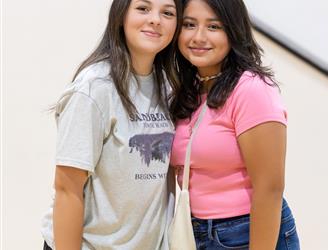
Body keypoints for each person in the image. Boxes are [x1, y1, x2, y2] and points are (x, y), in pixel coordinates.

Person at [41, 0, 182, 249]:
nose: (156, 19)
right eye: (143, 8)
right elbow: (67, 190)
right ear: (121, 14)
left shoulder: (168, 87)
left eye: (168, 12)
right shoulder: (93, 89)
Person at [170, 0, 300, 249]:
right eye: (189, 24)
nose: (199, 37)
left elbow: (270, 188)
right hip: (196, 230)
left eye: (214, 27)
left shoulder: (252, 89)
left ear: (233, 31)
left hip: (247, 230)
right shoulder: (189, 90)